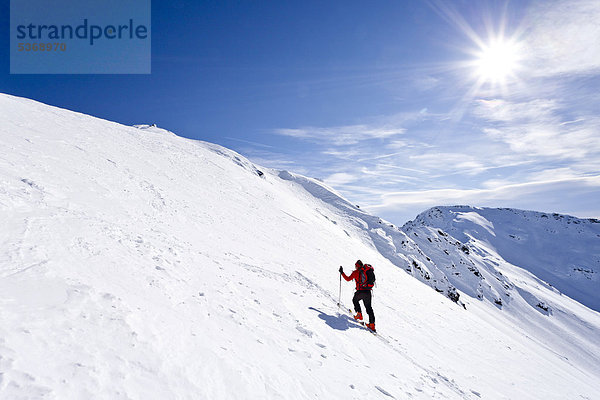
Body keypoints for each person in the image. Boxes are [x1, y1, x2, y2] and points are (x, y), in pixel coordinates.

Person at [339, 260, 376, 332]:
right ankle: (372, 325)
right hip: (368, 292)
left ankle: (359, 314)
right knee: (369, 308)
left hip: (360, 291)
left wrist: (342, 272)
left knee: (355, 300)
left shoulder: (355, 272)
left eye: (355, 266)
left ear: (357, 266)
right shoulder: (366, 271)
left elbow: (348, 279)